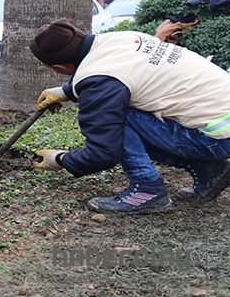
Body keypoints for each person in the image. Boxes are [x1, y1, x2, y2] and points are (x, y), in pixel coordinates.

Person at [30, 18, 230, 214]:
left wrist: (60, 159)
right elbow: (125, 70)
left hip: (219, 137)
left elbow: (103, 153)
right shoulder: (123, 38)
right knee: (123, 109)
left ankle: (147, 190)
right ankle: (210, 170)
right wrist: (67, 91)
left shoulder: (100, 80)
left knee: (118, 117)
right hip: (222, 115)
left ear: (59, 68)